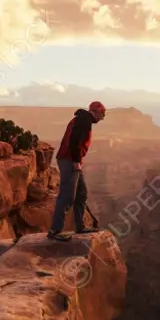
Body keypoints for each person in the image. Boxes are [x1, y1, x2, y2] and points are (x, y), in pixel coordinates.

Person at [48, 100, 106, 239]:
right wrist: (75, 161)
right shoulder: (84, 121)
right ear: (95, 112)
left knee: (82, 194)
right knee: (67, 196)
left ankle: (80, 226)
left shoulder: (82, 119)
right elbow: (75, 141)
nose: (102, 118)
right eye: (102, 114)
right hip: (69, 160)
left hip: (71, 159)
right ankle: (55, 231)